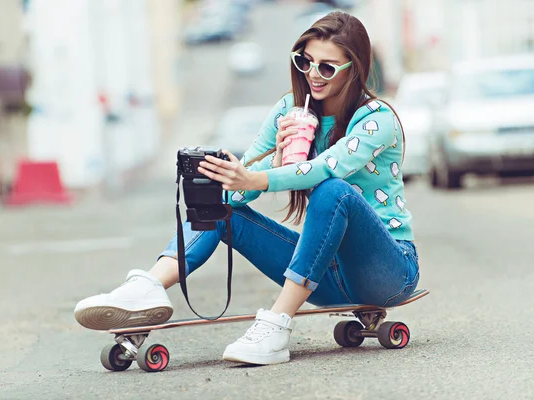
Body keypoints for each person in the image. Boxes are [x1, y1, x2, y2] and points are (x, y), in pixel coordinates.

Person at [74, 11, 419, 366]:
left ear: (354, 68)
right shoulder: (289, 109)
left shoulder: (376, 119)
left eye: (327, 67)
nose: (313, 74)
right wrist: (268, 163)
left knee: (333, 190)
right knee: (221, 208)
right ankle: (148, 286)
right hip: (325, 275)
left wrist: (257, 177)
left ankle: (276, 325)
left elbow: (323, 169)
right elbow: (239, 187)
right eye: (305, 61)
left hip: (387, 271)